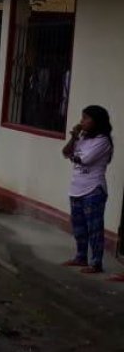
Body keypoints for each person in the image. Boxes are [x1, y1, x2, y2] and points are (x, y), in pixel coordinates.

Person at [61, 105, 116, 277]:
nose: (82, 121)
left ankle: (96, 263)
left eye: (86, 118)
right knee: (79, 227)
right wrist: (74, 138)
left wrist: (73, 155)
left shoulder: (103, 140)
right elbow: (65, 152)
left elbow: (84, 160)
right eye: (82, 117)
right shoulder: (82, 138)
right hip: (76, 188)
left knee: (94, 228)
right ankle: (81, 257)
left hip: (93, 189)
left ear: (97, 121)